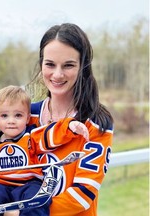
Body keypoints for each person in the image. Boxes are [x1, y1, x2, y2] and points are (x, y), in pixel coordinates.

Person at [27, 23, 114, 216]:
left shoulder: (96, 122)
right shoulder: (25, 116)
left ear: (82, 66)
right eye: (50, 64)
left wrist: (24, 212)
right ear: (41, 64)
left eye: (68, 65)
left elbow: (82, 195)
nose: (57, 74)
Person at [0, 85, 89, 216]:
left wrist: (69, 126)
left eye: (18, 115)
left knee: (38, 198)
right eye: (4, 116)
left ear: (27, 118)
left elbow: (50, 134)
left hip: (27, 185)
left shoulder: (30, 137)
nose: (11, 121)